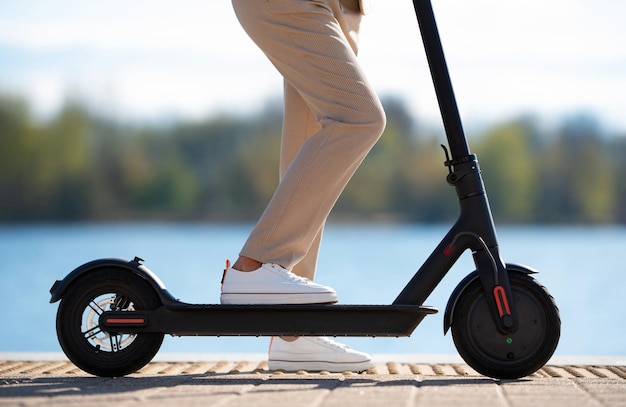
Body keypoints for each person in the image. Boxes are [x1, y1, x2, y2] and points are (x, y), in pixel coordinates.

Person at [221, 0, 386, 372]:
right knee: (358, 118)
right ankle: (255, 266)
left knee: (314, 138)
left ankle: (293, 331)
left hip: (344, 7)